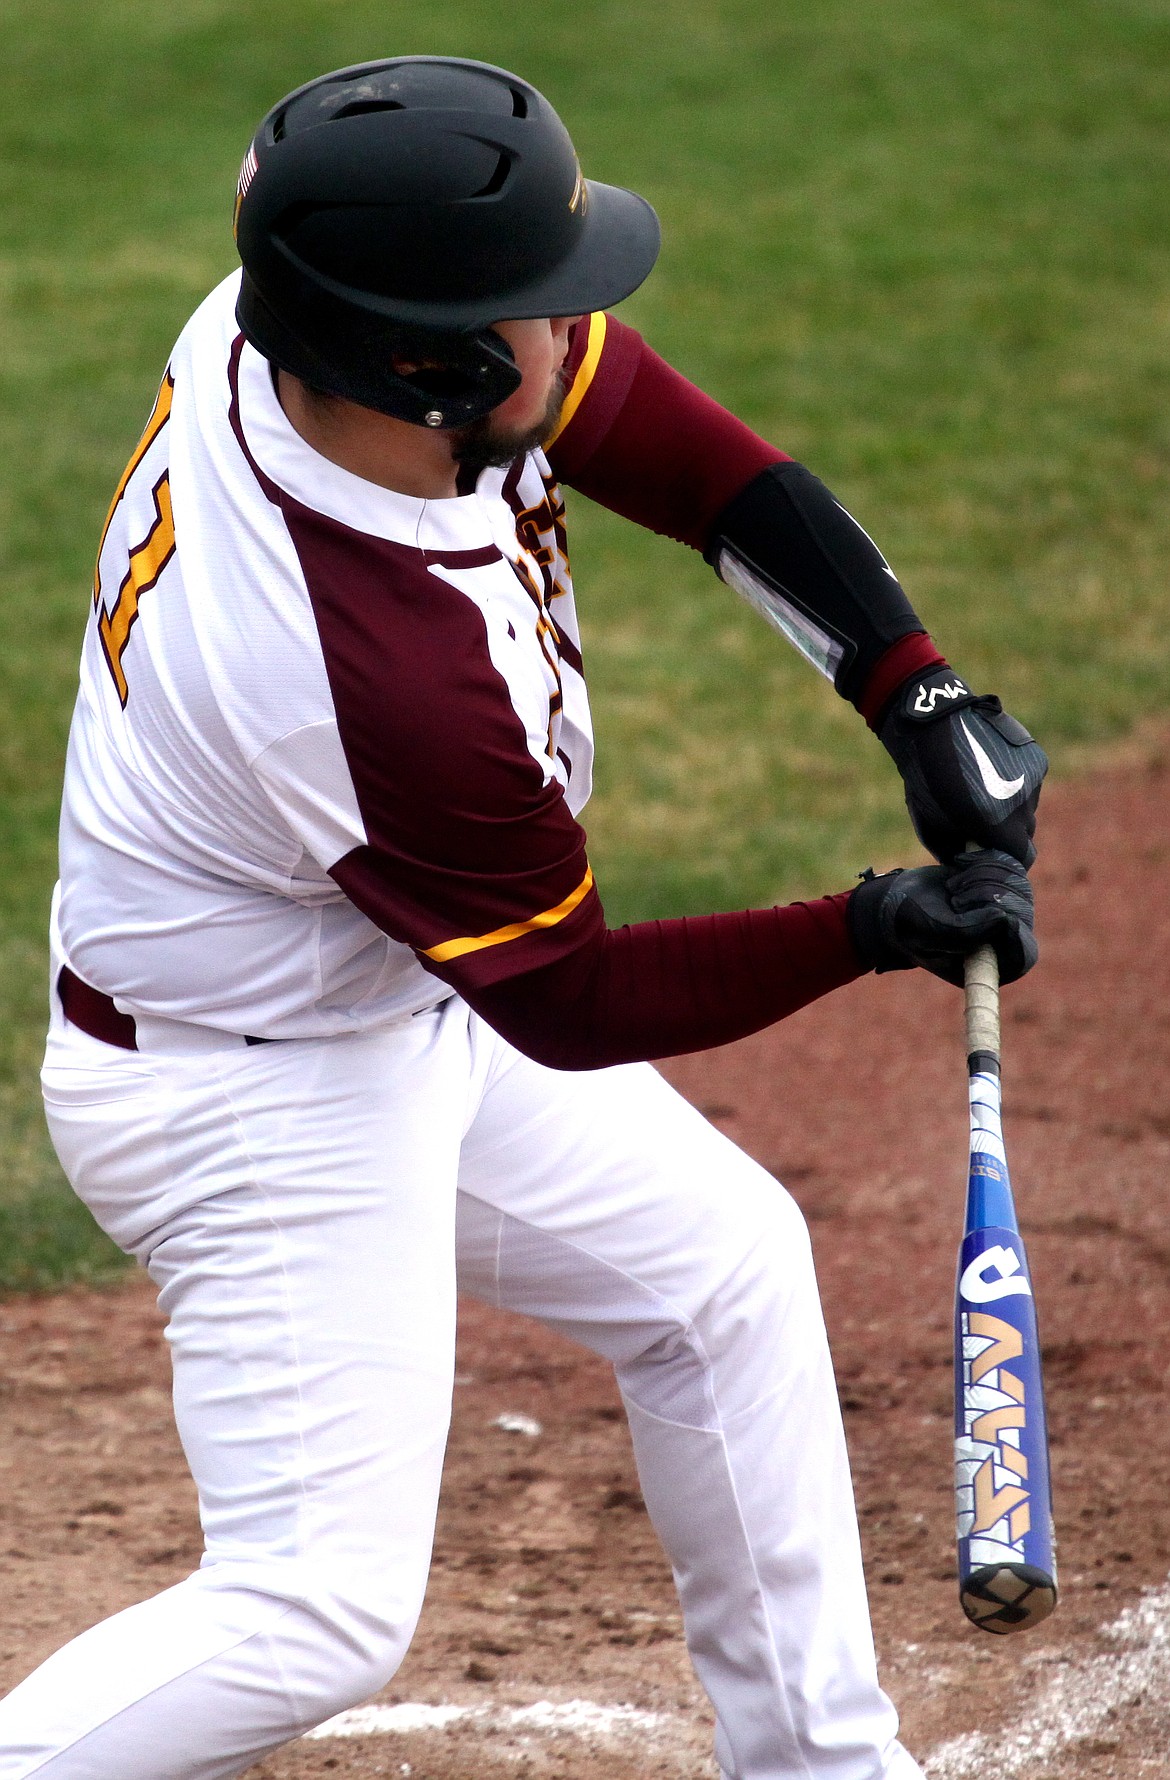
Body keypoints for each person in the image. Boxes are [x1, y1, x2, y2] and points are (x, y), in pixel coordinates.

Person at [3, 55, 1044, 1780]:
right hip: (249, 1102)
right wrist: (873, 924)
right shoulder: (367, 667)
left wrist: (910, 689)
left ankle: (822, 1769)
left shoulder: (299, 327)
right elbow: (562, 1001)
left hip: (367, 996)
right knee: (317, 1609)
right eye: (540, 309)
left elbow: (670, 449)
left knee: (721, 1278)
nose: (579, 334)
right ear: (432, 361)